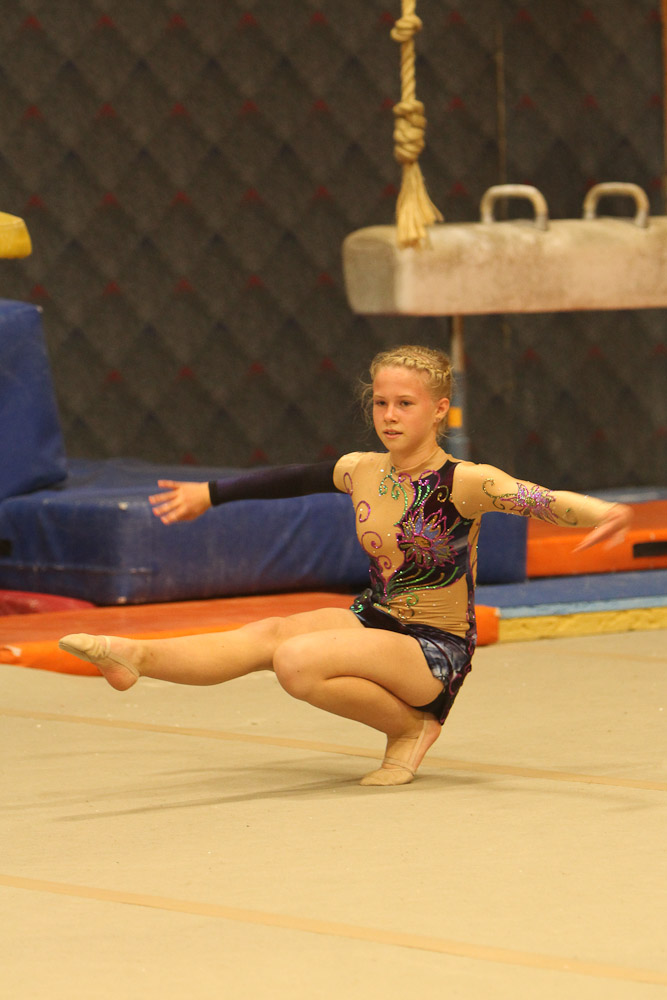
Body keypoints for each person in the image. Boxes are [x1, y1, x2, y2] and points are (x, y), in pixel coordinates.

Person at [59, 345, 631, 786]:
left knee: (297, 660)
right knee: (272, 634)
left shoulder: (465, 481)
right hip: (374, 618)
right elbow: (291, 479)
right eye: (381, 403)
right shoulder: (362, 468)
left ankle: (413, 726)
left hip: (433, 647)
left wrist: (601, 512)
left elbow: (538, 498)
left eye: (405, 404)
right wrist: (209, 494)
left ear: (439, 410)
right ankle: (136, 657)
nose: (389, 415)